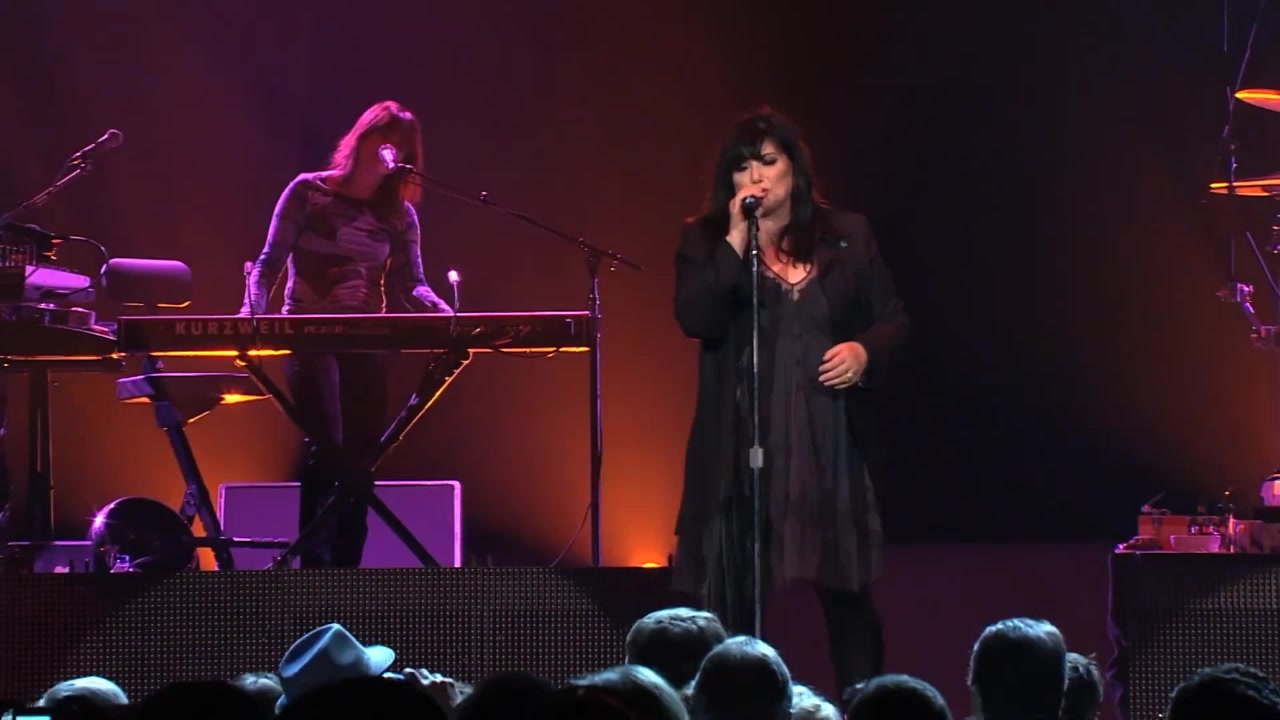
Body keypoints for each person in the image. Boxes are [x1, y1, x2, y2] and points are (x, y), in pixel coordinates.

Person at [671, 107, 910, 690]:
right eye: (741, 167)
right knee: (732, 608)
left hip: (829, 447)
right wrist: (734, 240)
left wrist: (863, 352)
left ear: (794, 170)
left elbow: (894, 320)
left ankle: (864, 703)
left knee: (850, 604)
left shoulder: (848, 234)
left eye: (768, 162)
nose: (754, 176)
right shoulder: (704, 240)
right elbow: (697, 318)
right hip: (743, 450)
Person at [240, 100, 450, 568]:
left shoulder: (398, 214)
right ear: (363, 137)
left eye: (402, 145)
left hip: (366, 341)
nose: (391, 149)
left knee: (360, 457)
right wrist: (251, 312)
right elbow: (269, 263)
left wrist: (447, 314)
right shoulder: (308, 192)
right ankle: (314, 567)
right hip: (309, 333)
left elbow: (412, 284)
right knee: (328, 444)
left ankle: (347, 570)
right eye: (384, 137)